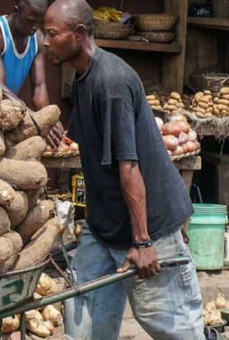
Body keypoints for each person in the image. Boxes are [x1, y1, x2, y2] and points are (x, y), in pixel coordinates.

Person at [43, 1, 205, 339]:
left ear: (80, 34)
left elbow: (128, 167)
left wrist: (143, 242)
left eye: (51, 34)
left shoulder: (112, 82)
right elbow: (85, 141)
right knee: (83, 323)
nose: (45, 42)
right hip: (104, 227)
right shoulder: (83, 78)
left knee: (170, 325)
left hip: (150, 228)